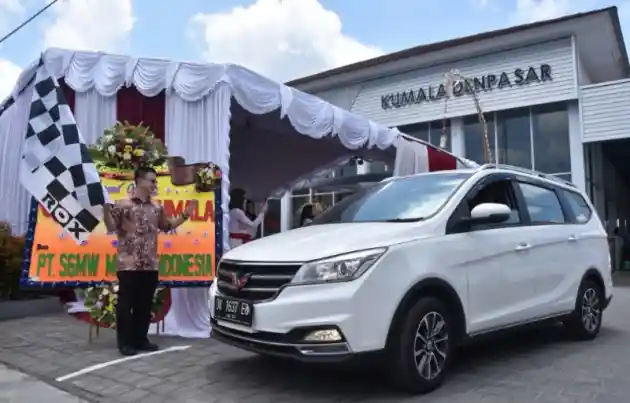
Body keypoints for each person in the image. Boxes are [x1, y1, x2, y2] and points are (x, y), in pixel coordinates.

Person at [103, 166, 194, 356]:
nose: (154, 184)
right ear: (139, 181)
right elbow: (111, 227)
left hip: (150, 263)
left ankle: (141, 339)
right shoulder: (123, 205)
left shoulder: (156, 207)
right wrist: (105, 210)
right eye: (151, 181)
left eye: (155, 181)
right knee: (126, 304)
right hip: (128, 263)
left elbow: (167, 226)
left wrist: (185, 215)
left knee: (144, 304)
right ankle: (125, 343)